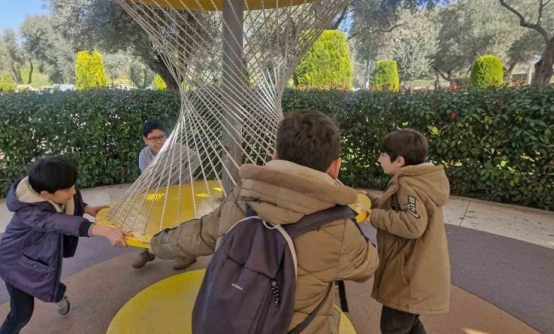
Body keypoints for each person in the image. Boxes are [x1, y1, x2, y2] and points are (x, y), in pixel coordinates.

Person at [148, 110, 378, 332]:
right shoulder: (339, 226)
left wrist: (156, 244)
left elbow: (200, 234)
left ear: (275, 156)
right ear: (335, 167)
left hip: (236, 322)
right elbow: (366, 266)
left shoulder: (242, 197)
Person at [0, 157, 129, 334]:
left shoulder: (46, 186)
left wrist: (87, 208)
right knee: (21, 314)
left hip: (35, 258)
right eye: (67, 189)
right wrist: (106, 231)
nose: (73, 191)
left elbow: (67, 202)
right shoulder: (31, 212)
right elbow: (61, 222)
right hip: (16, 266)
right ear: (45, 195)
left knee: (44, 280)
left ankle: (57, 294)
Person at [363, 129, 451, 334]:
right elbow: (398, 207)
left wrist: (374, 216)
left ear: (399, 161)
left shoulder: (408, 185)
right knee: (409, 324)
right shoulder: (419, 181)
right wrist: (370, 200)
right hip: (416, 270)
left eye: (383, 155)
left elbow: (413, 224)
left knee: (393, 327)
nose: (379, 159)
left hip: (409, 274)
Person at [133, 118, 198, 270]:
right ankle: (147, 251)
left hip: (179, 191)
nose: (158, 141)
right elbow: (146, 176)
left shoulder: (177, 149)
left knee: (181, 223)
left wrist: (186, 177)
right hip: (158, 192)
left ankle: (188, 254)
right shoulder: (144, 155)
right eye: (153, 138)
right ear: (145, 140)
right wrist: (147, 188)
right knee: (149, 219)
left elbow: (195, 158)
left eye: (161, 137)